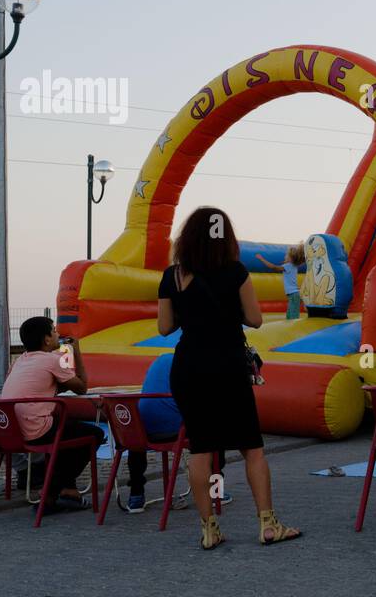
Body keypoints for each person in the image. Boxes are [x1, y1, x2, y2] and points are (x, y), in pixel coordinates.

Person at [158, 206, 300, 550]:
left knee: (201, 449)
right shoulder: (235, 272)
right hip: (228, 366)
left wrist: (190, 311)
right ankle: (268, 524)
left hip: (189, 366)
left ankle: (209, 530)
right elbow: (255, 319)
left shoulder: (173, 275)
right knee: (252, 448)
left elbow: (164, 328)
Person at [0, 316, 103, 513]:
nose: (58, 334)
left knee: (67, 428)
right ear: (47, 339)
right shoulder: (54, 360)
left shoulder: (20, 360)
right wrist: (77, 352)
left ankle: (70, 492)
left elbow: (41, 387)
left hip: (11, 431)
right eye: (54, 331)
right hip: (36, 430)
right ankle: (52, 493)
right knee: (94, 435)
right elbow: (81, 387)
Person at [121, 353, 229, 514]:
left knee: (137, 444)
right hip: (174, 429)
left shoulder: (161, 360)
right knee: (215, 431)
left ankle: (136, 495)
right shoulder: (191, 363)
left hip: (143, 429)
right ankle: (216, 492)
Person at [256, 244, 304, 320]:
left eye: (287, 255)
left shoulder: (288, 266)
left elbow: (273, 267)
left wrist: (261, 259)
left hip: (293, 294)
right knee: (289, 315)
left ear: (291, 258)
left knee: (293, 316)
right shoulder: (294, 266)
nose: (285, 256)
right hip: (294, 294)